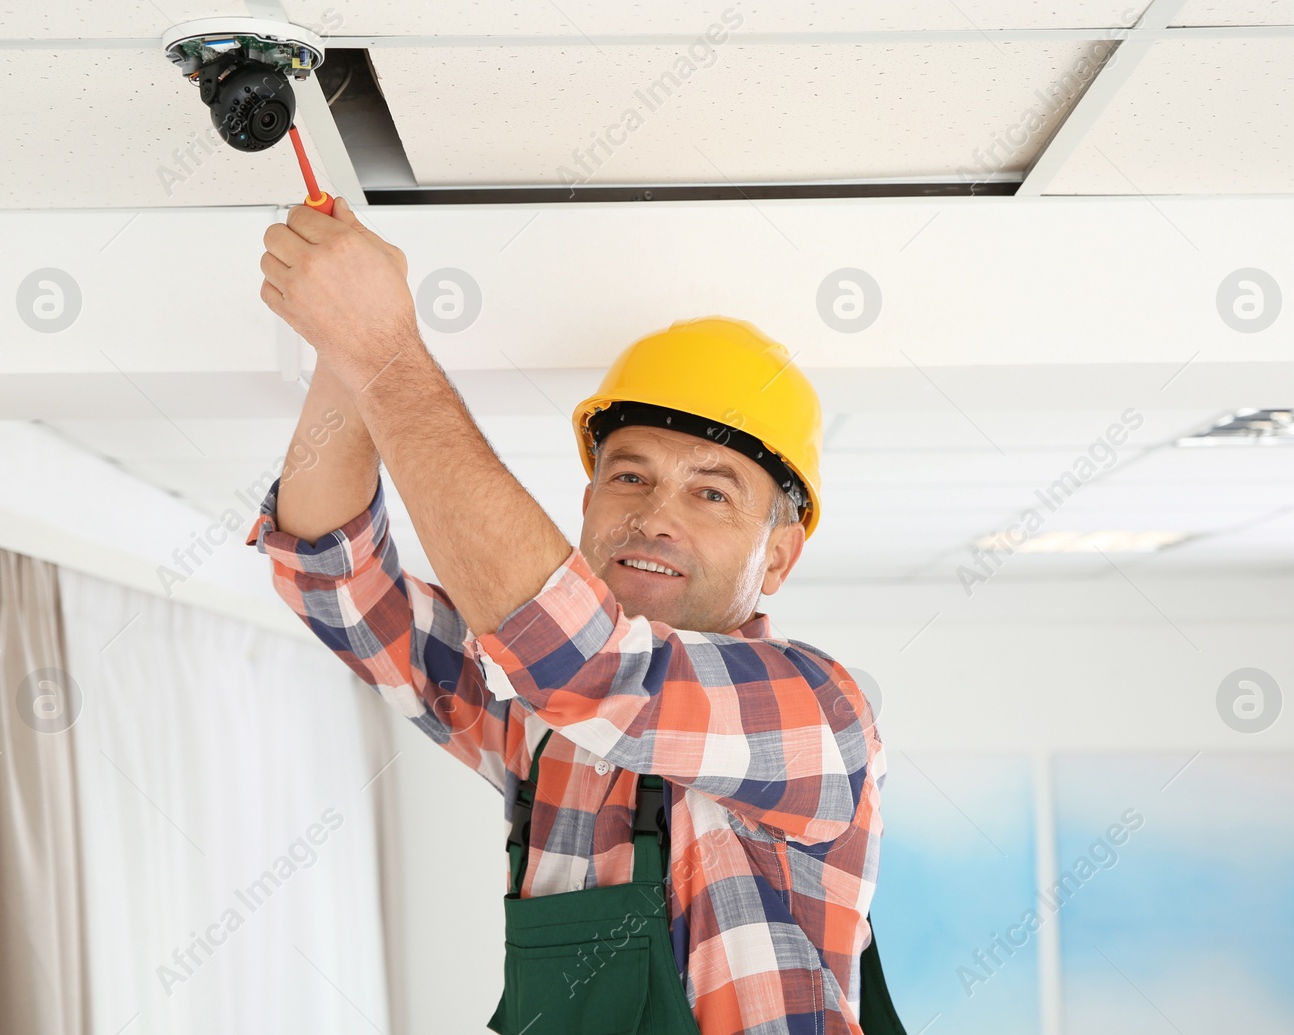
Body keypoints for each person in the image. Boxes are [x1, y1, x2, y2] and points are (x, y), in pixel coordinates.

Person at [246, 197, 903, 1034]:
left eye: (711, 491)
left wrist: (386, 348)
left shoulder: (818, 717)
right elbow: (337, 588)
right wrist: (347, 345)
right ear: (589, 500)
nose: (656, 515)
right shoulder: (543, 729)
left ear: (776, 556)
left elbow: (585, 664)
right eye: (630, 476)